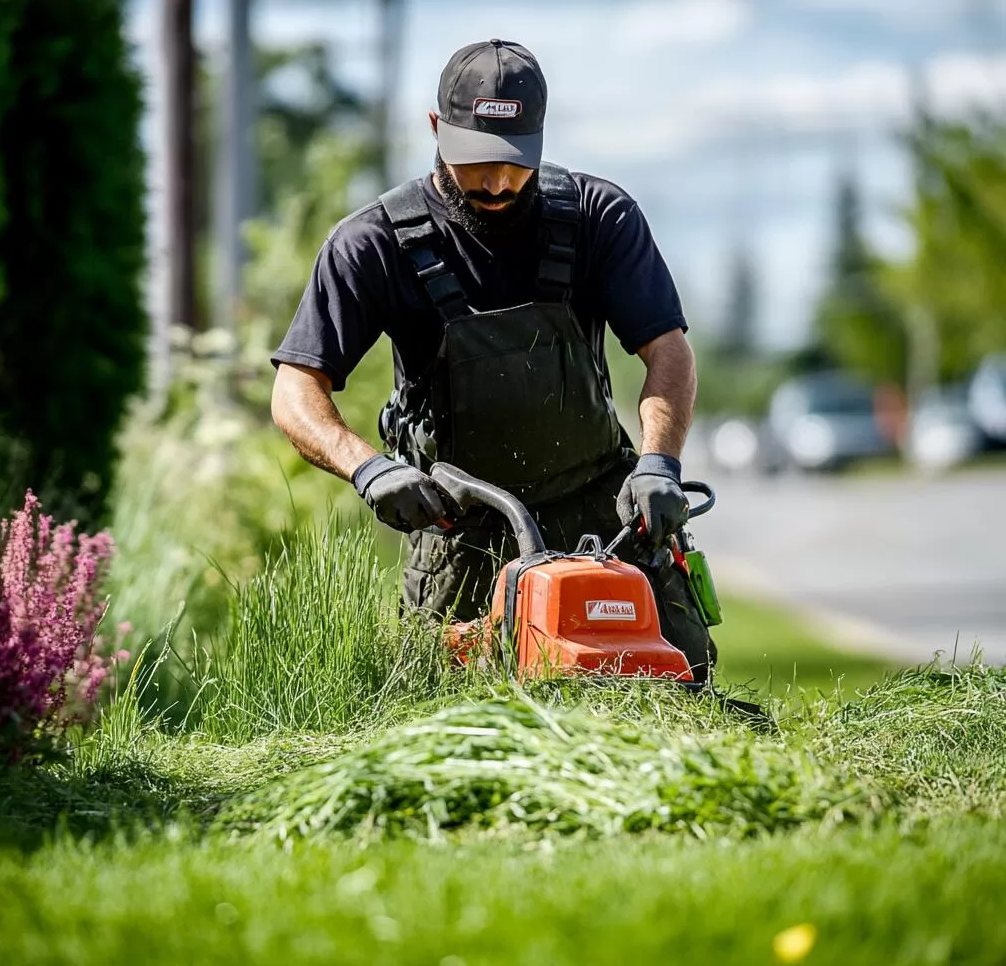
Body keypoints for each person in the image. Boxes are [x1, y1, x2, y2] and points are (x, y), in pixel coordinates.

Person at [271, 39, 716, 679]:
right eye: (478, 160)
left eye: (515, 161)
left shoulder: (598, 217)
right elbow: (296, 390)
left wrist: (658, 464)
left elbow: (668, 351)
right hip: (460, 533)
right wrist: (369, 470)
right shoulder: (374, 244)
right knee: (457, 728)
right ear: (435, 129)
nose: (499, 181)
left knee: (677, 691)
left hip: (605, 527)